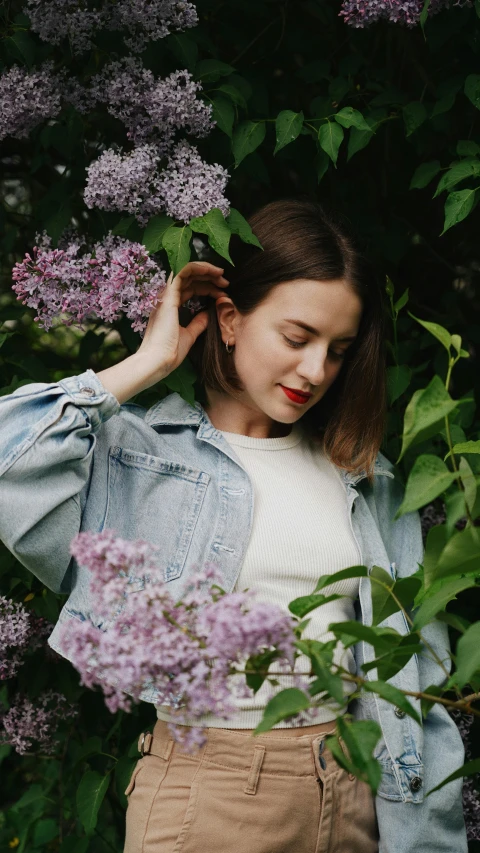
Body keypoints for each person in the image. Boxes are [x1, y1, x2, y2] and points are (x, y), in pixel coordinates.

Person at [0, 199, 467, 853]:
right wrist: (147, 363)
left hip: (354, 795)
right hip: (210, 800)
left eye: (336, 350)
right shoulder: (138, 454)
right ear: (229, 318)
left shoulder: (369, 476)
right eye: (297, 338)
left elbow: (413, 679)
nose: (315, 371)